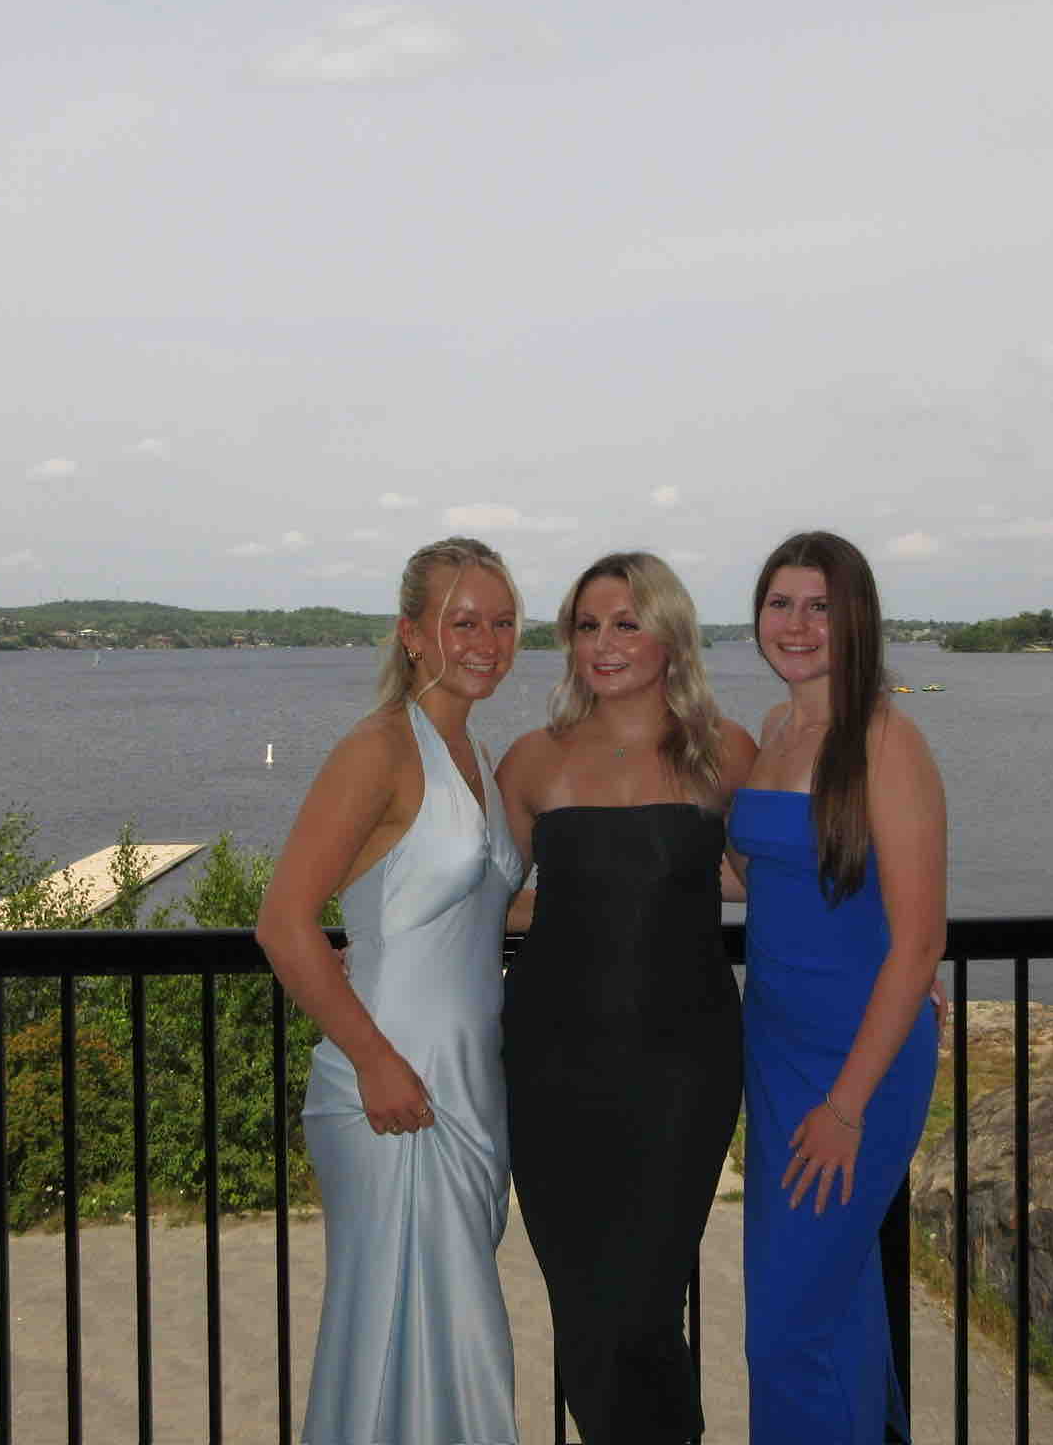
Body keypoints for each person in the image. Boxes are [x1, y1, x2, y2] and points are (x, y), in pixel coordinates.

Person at [254, 537, 526, 1444]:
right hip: (391, 1087)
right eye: (462, 622)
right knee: (400, 1339)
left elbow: (478, 907)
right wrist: (373, 1061)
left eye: (502, 623)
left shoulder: (474, 752)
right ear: (412, 633)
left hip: (469, 1084)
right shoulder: (377, 749)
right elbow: (284, 922)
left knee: (446, 1340)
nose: (486, 642)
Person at [495, 551, 757, 1444]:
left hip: (683, 1068)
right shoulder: (531, 760)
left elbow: (779, 884)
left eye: (626, 623)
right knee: (583, 1307)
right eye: (587, 626)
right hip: (551, 1066)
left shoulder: (724, 750)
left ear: (670, 635)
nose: (603, 644)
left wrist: (892, 962)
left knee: (638, 1308)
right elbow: (500, 897)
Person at [728, 530, 945, 1442]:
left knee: (786, 1330)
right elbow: (757, 874)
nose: (797, 624)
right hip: (777, 1051)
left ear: (857, 619)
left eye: (820, 606)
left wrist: (848, 1108)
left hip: (858, 1065)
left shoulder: (887, 742)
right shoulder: (776, 730)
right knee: (838, 1306)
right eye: (781, 603)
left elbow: (919, 942)